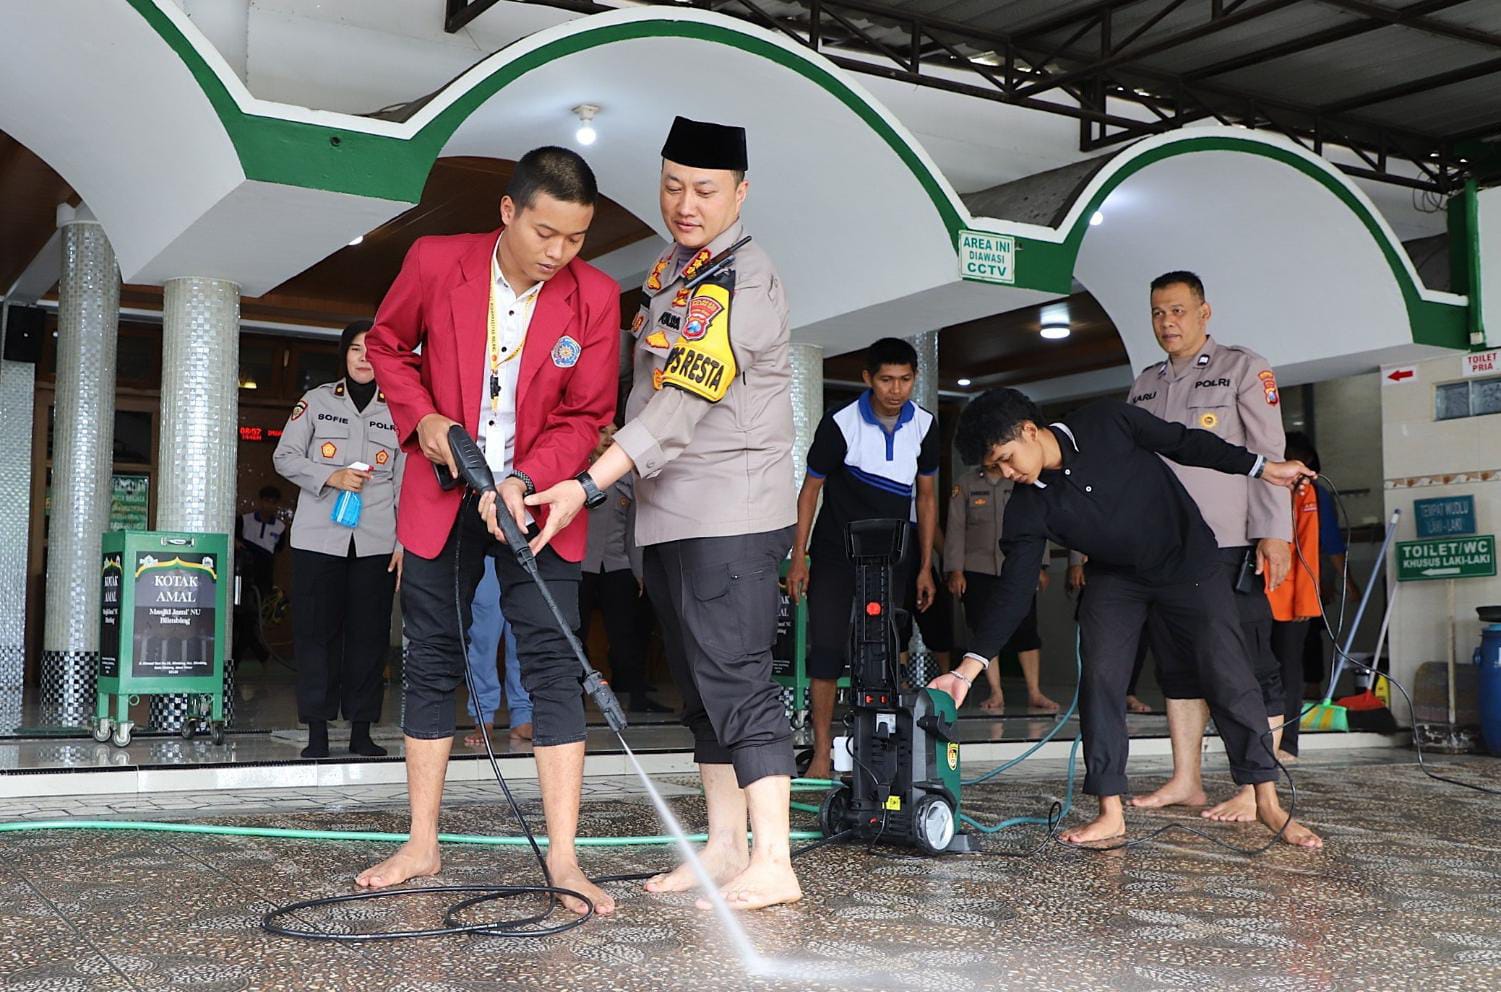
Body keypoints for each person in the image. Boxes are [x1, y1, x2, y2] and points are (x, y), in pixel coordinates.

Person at [527, 117, 801, 910]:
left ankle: (774, 859)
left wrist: (588, 482)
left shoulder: (738, 280)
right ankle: (724, 846)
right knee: (699, 688)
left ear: (739, 194)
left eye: (705, 190)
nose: (685, 203)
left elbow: (679, 407)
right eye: (673, 185)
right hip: (671, 514)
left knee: (738, 680)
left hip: (728, 514)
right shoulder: (674, 272)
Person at [359, 147, 620, 914]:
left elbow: (586, 414)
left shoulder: (596, 296)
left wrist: (524, 480)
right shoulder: (436, 261)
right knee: (432, 659)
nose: (558, 253)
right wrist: (424, 419)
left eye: (575, 238)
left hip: (537, 505)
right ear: (508, 211)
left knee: (552, 665)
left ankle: (564, 858)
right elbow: (387, 346)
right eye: (545, 233)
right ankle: (421, 841)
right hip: (443, 493)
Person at [930, 388, 1321, 848]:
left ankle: (1267, 802)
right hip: (1116, 578)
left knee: (1227, 671)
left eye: (1005, 459)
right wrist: (967, 668)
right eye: (994, 468)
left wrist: (1262, 467)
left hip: (1188, 562)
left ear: (1029, 431)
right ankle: (1110, 812)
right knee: (1101, 677)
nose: (1005, 474)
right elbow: (1013, 592)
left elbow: (1186, 443)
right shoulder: (1027, 507)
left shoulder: (1107, 422)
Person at [1124, 271, 1293, 823]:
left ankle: (1255, 788)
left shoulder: (1242, 368)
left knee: (1249, 664)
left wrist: (1274, 533)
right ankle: (1187, 780)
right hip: (1163, 550)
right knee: (1178, 667)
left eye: (1177, 310)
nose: (1167, 322)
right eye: (1158, 312)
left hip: (1227, 543)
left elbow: (1269, 454)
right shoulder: (1144, 384)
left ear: (1204, 312)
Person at [785, 337, 939, 782]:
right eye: (886, 379)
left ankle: (881, 753)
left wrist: (925, 566)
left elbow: (926, 499)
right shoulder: (840, 423)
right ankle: (820, 753)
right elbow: (810, 491)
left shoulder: (924, 426)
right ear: (868, 378)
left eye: (905, 380)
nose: (896, 390)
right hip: (835, 553)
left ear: (915, 378)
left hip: (893, 556)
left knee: (886, 652)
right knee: (827, 650)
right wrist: (799, 557)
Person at [273, 320, 404, 759]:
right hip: (318, 540)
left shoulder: (399, 409)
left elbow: (405, 482)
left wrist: (404, 542)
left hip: (376, 541)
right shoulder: (316, 401)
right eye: (355, 349)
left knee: (369, 637)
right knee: (316, 635)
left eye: (373, 350)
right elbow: (284, 457)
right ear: (343, 354)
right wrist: (330, 475)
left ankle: (362, 730)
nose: (364, 358)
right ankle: (317, 732)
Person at [945, 457, 1059, 714]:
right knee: (984, 628)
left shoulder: (1019, 477)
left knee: (1027, 629)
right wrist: (955, 570)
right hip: (978, 568)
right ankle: (996, 691)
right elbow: (956, 529)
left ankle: (1034, 692)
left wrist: (1040, 566)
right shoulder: (966, 483)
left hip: (1018, 567)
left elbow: (1038, 524)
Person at [575, 424, 668, 714]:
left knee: (627, 634)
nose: (609, 438)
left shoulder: (627, 476)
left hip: (617, 564)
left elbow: (632, 530)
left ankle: (634, 695)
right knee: (575, 632)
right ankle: (573, 695)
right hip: (581, 565)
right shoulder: (576, 475)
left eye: (614, 432)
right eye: (602, 431)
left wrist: (638, 571)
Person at [1268, 431, 1327, 761]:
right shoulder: (1257, 482)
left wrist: (1306, 600)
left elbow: (1308, 547)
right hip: (1255, 593)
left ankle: (1287, 741)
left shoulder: (1304, 491)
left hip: (1290, 598)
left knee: (1288, 669)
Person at [460, 558, 532, 746]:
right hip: (486, 551)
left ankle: (523, 716)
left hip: (525, 550)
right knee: (481, 641)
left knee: (523, 637)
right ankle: (483, 719)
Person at [234, 485, 287, 666]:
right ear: (260, 501)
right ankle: (258, 654)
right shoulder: (244, 520)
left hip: (264, 578)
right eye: (266, 501)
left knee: (252, 619)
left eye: (273, 502)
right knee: (241, 618)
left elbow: (278, 551)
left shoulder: (280, 527)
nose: (268, 506)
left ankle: (245, 657)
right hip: (243, 576)